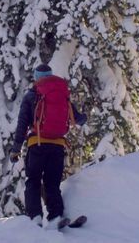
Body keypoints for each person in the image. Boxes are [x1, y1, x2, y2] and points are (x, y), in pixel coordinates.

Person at [9, 64, 87, 227]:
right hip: (57, 146)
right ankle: (55, 216)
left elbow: (22, 124)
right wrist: (84, 116)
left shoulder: (31, 95)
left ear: (36, 78)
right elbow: (78, 119)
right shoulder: (61, 95)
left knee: (33, 181)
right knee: (52, 183)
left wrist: (15, 150)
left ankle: (35, 218)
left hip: (36, 145)